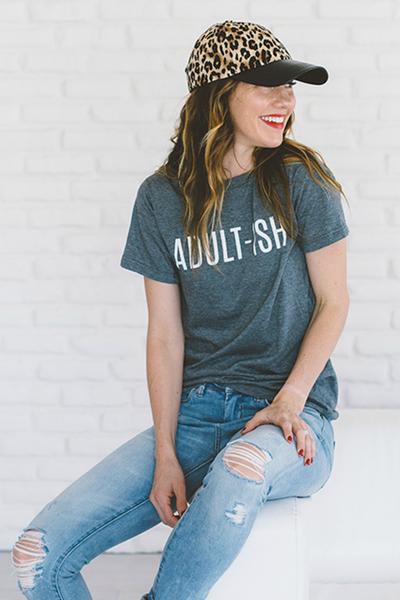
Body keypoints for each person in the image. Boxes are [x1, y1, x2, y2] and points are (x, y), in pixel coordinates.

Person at [11, 20, 350, 600]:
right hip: (197, 415)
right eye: (268, 86)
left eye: (290, 88)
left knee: (243, 463)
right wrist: (166, 452)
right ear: (220, 96)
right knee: (36, 555)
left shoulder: (301, 179)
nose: (286, 101)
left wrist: (290, 399)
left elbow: (333, 301)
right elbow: (165, 336)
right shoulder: (160, 199)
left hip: (292, 419)